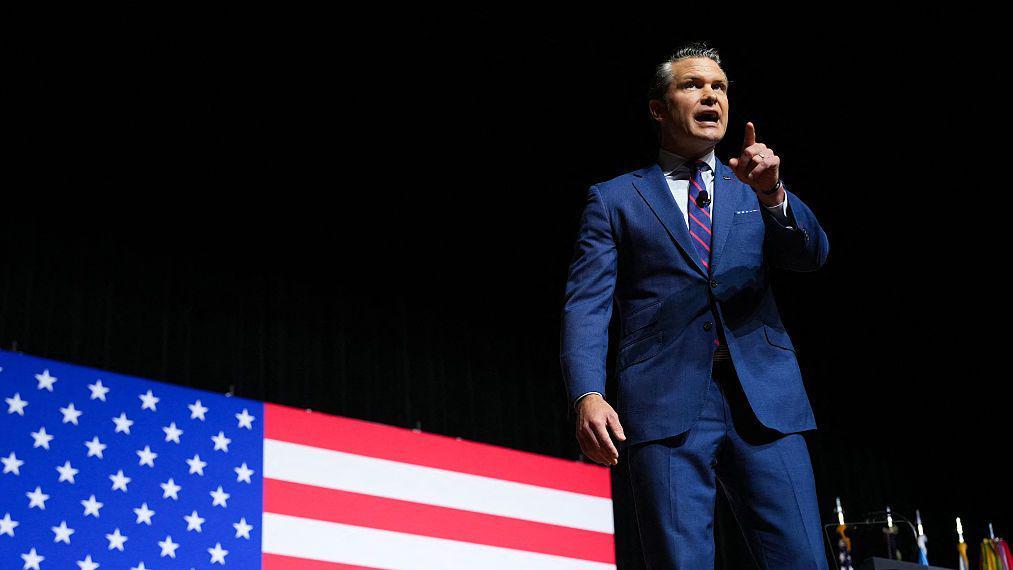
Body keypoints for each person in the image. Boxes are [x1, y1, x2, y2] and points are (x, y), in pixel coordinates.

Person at [559, 42, 830, 569]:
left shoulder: (753, 183)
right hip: (665, 402)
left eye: (719, 87)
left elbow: (811, 256)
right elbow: (586, 306)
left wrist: (774, 194)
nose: (711, 96)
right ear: (658, 109)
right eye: (693, 85)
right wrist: (587, 394)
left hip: (765, 400)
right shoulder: (615, 198)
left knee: (801, 559)